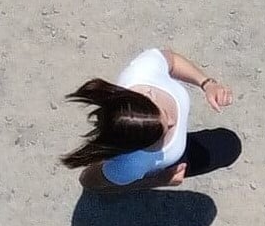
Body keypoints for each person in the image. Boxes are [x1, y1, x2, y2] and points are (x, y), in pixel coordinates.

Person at [62, 48, 234, 191]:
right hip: (172, 164)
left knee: (228, 144)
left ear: (147, 96)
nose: (173, 123)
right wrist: (161, 179)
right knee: (230, 147)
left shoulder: (143, 71)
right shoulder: (130, 164)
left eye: (164, 113)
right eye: (159, 135)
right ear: (135, 148)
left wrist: (207, 83)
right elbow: (89, 181)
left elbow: (171, 60)